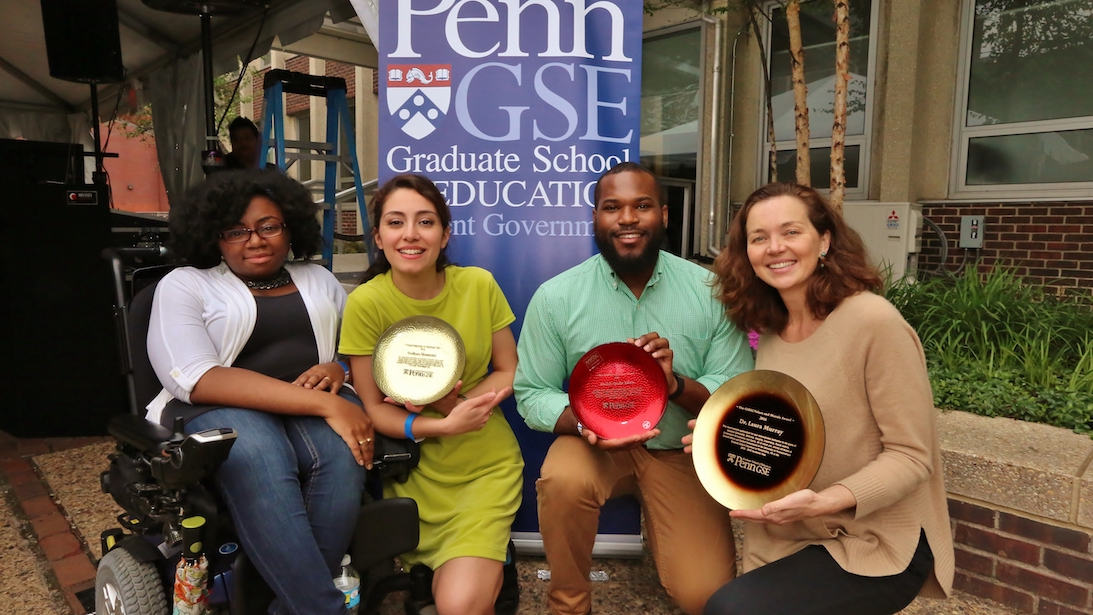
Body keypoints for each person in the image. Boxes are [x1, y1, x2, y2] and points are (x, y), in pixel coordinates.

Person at [699, 182, 954, 615]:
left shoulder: (874, 322)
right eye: (758, 238)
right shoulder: (774, 332)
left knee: (731, 609)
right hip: (795, 530)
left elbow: (913, 457)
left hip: (875, 539)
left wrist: (826, 500)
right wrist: (723, 438)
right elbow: (790, 433)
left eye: (791, 232)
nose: (775, 247)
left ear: (825, 240)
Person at [514, 162, 754, 615]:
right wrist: (589, 422)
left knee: (705, 599)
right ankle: (568, 602)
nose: (627, 218)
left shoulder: (711, 292)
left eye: (641, 206)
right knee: (562, 480)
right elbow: (533, 393)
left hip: (680, 452)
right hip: (594, 447)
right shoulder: (557, 296)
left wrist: (675, 384)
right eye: (612, 207)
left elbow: (734, 387)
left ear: (664, 216)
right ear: (595, 219)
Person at [145, 169, 373, 615]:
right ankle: (322, 608)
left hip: (308, 407)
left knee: (345, 456)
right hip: (218, 407)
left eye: (269, 226)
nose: (255, 240)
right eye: (237, 230)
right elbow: (196, 377)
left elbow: (357, 350)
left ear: (290, 227)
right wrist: (327, 402)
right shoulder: (186, 285)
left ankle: (286, 607)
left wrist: (337, 367)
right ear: (214, 235)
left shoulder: (319, 279)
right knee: (261, 455)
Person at [339, 173, 523, 615]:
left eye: (425, 222)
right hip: (414, 470)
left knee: (458, 606)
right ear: (379, 237)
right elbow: (375, 411)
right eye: (396, 222)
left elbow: (509, 369)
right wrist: (438, 424)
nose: (411, 234)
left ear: (444, 235)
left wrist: (460, 407)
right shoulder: (365, 303)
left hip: (484, 465)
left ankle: (493, 556)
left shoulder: (478, 285)